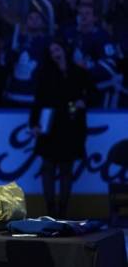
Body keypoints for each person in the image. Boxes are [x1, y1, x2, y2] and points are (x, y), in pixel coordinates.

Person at [29, 40, 92, 219]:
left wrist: (83, 102)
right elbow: (38, 101)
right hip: (49, 124)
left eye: (57, 48)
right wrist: (34, 124)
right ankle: (50, 209)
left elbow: (93, 93)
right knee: (48, 166)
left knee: (66, 168)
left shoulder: (79, 72)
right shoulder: (45, 74)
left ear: (64, 49)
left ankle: (63, 210)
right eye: (51, 50)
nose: (55, 52)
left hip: (71, 124)